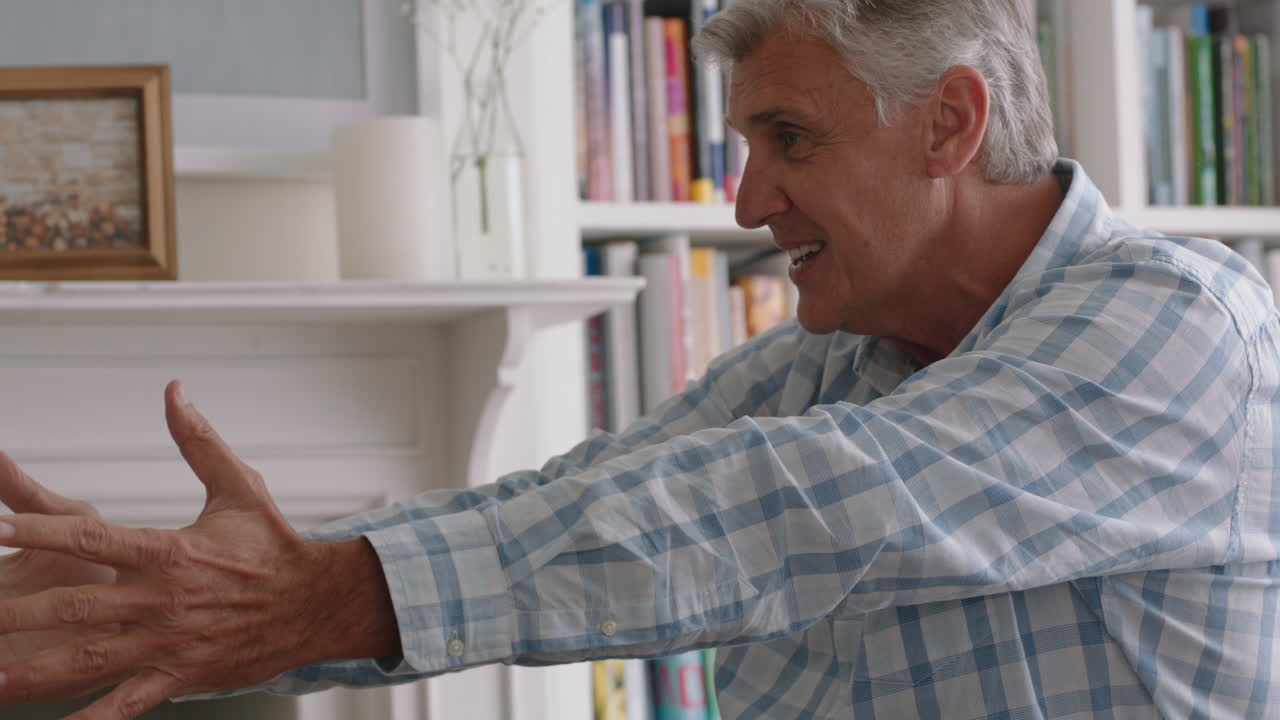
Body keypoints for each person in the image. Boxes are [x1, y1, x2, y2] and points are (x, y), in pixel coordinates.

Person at [2, 0, 1278, 717]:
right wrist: (172, 595)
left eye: (787, 138)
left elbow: (792, 512)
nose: (744, 201)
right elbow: (555, 499)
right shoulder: (824, 370)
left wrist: (317, 598)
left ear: (947, 123)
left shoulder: (1174, 328)